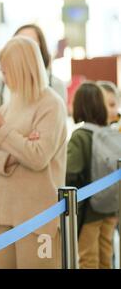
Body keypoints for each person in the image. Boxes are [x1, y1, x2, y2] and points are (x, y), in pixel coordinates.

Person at [0, 36, 67, 268]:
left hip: (38, 218)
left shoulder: (51, 105)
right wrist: (18, 150)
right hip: (5, 214)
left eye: (6, 72)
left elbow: (37, 157)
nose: (3, 78)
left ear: (21, 69)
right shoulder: (9, 106)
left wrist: (3, 131)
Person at [0, 24, 67, 138]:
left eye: (30, 44)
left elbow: (55, 130)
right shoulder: (1, 80)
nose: (23, 51)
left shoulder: (55, 86)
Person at [66, 82, 118, 269]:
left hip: (89, 210)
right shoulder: (108, 133)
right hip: (110, 206)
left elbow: (71, 172)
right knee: (106, 253)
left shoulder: (80, 136)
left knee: (88, 257)